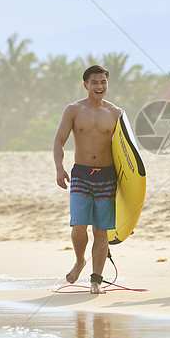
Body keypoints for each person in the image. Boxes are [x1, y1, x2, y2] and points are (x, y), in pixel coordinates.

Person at [53, 64, 121, 294]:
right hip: (81, 174)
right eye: (94, 82)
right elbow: (59, 140)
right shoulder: (73, 110)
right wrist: (59, 168)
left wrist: (128, 183)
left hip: (107, 175)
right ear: (85, 85)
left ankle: (96, 280)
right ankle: (80, 260)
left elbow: (126, 151)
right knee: (79, 225)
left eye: (103, 82)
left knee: (101, 230)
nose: (99, 86)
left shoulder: (115, 113)